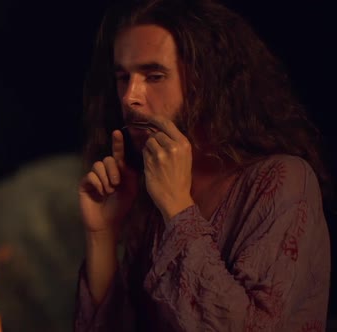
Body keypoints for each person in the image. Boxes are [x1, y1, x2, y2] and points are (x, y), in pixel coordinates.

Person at [74, 0, 332, 330]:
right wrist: (102, 234)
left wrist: (178, 208)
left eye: (154, 75)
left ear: (205, 80)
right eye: (123, 77)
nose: (130, 97)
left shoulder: (282, 180)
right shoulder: (146, 189)